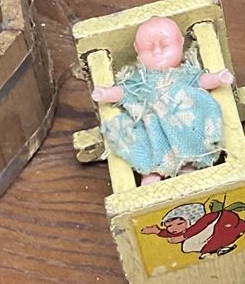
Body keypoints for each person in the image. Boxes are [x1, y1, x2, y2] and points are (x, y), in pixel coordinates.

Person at [91, 17, 233, 182]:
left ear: (180, 42)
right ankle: (151, 174)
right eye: (148, 48)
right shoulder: (141, 78)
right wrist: (106, 93)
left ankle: (189, 166)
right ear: (137, 49)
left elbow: (201, 80)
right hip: (152, 124)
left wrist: (218, 78)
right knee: (147, 143)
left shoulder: (184, 73)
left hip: (181, 122)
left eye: (165, 45)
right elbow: (126, 90)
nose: (157, 52)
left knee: (189, 139)